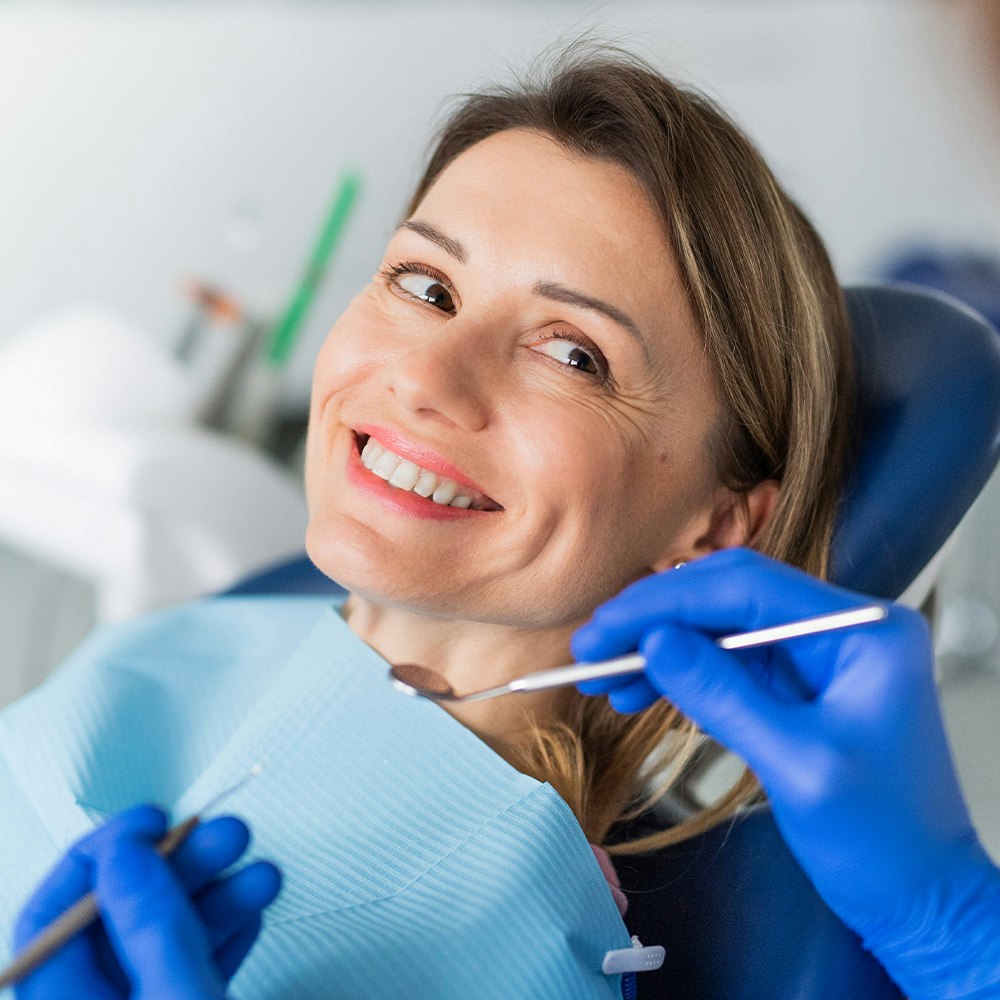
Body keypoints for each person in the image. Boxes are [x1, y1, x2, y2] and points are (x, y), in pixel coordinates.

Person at [4, 46, 1000, 999]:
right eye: (426, 286)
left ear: (713, 526)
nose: (423, 377)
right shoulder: (208, 633)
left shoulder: (515, 939)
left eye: (572, 354)